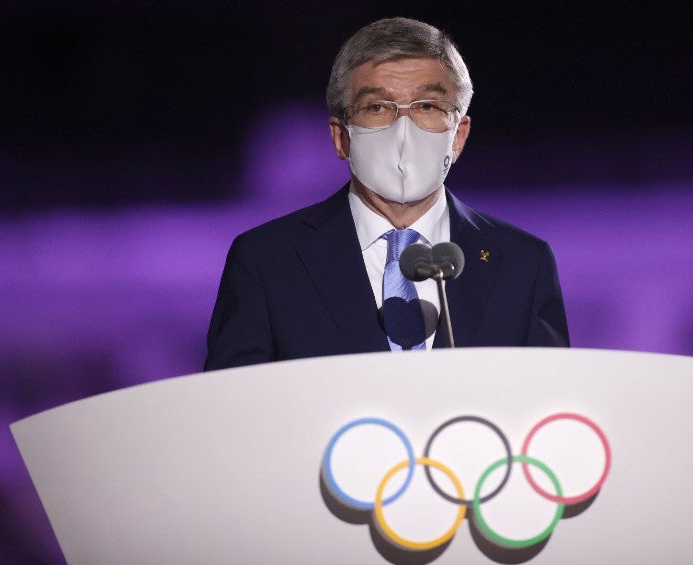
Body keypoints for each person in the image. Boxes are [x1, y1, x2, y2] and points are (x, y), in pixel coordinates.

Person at [204, 17, 568, 371]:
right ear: (341, 137)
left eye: (428, 106)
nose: (403, 129)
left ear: (458, 136)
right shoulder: (266, 262)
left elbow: (551, 410)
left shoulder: (523, 264)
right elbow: (231, 416)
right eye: (377, 107)